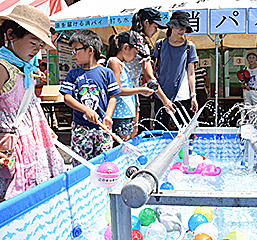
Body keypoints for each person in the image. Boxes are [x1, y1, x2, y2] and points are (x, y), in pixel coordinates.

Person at [0, 5, 64, 200]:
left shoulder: (22, 68)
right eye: (33, 42)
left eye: (40, 46)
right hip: (12, 150)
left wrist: (44, 127)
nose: (37, 50)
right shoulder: (3, 68)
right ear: (11, 35)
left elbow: (29, 106)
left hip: (31, 145)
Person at [59, 30, 121, 165]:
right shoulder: (73, 74)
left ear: (90, 50)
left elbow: (113, 97)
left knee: (104, 164)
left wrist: (108, 116)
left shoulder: (107, 73)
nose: (73, 54)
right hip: (80, 127)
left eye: (76, 50)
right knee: (81, 164)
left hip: (102, 127)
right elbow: (67, 98)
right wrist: (85, 110)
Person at [126, 8, 175, 138]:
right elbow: (150, 78)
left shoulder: (127, 38)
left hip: (123, 92)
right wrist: (165, 101)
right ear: (146, 22)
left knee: (124, 136)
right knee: (129, 136)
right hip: (128, 95)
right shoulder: (139, 42)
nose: (156, 31)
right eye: (155, 26)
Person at [153, 11, 198, 130]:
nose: (181, 30)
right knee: (159, 129)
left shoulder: (189, 46)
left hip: (182, 94)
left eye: (184, 28)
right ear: (171, 26)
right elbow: (154, 69)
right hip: (161, 93)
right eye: (179, 27)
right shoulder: (160, 44)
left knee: (183, 131)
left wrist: (193, 95)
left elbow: (191, 73)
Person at [107, 30, 154, 141]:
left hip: (125, 113)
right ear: (125, 47)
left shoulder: (121, 64)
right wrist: (140, 90)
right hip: (119, 115)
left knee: (125, 143)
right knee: (121, 146)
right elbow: (116, 90)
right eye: (135, 52)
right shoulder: (114, 62)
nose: (135, 56)